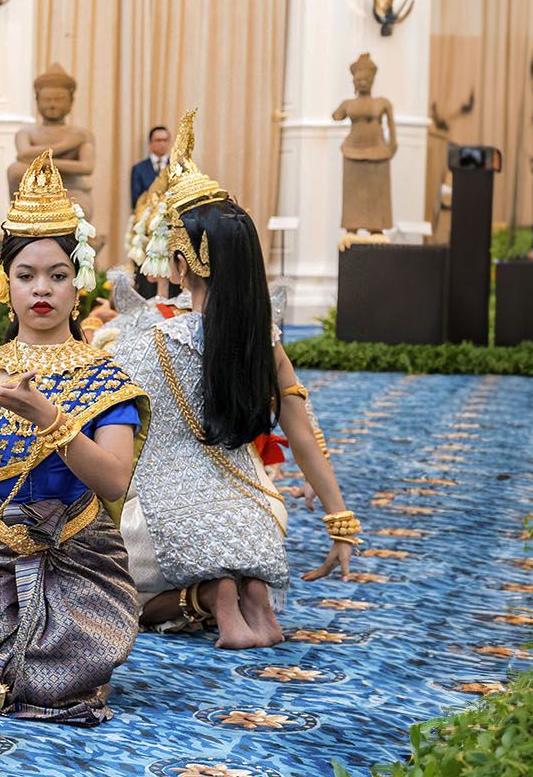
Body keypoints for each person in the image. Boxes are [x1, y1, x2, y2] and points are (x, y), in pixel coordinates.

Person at [0, 150, 146, 726]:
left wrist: (49, 418)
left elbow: (115, 480)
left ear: (78, 285)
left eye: (58, 276)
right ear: (5, 285)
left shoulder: (106, 375)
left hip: (80, 553)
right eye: (26, 276)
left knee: (45, 684)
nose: (43, 289)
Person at [117, 110, 358, 650]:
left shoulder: (145, 341)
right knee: (238, 534)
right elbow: (301, 431)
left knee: (110, 596)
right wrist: (339, 519)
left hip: (168, 524)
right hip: (256, 515)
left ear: (181, 264)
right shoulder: (262, 339)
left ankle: (212, 597)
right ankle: (253, 594)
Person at [128, 125, 172, 213]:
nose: (162, 144)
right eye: (158, 140)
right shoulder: (139, 168)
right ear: (150, 143)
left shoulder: (177, 166)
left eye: (165, 140)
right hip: (147, 215)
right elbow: (136, 201)